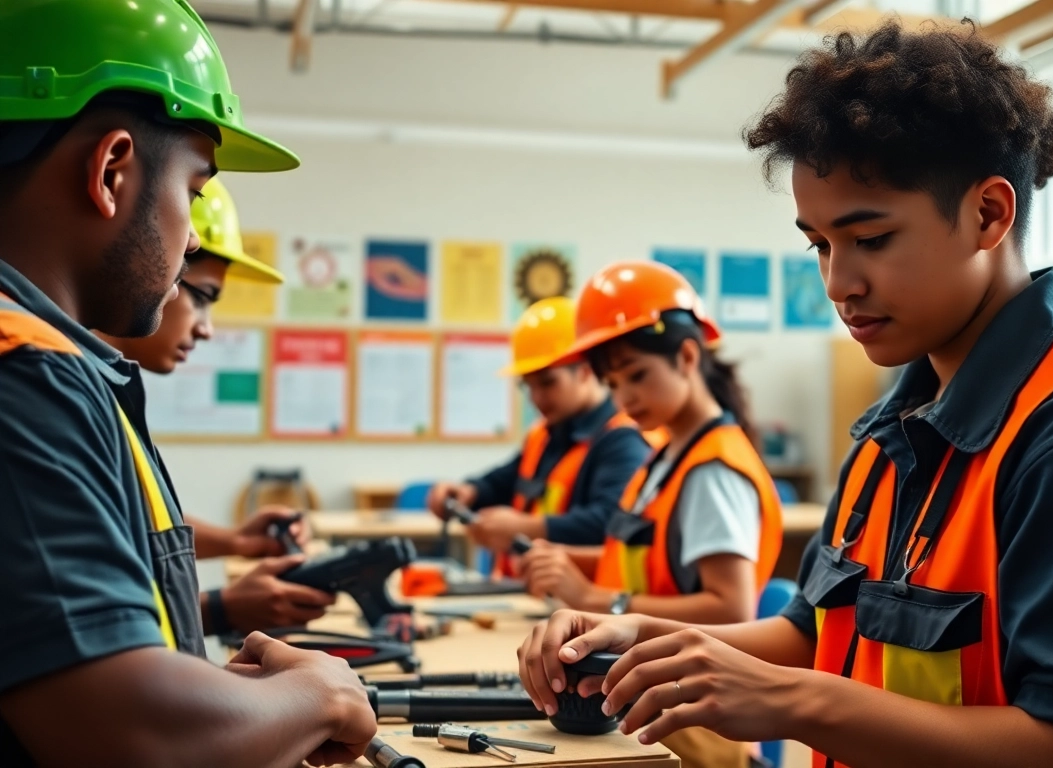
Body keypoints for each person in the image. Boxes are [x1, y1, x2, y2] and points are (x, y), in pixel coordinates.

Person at [517, 21, 1053, 768]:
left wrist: (791, 701)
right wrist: (634, 637)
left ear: (988, 213)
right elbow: (817, 634)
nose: (838, 284)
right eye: (820, 245)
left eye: (870, 239)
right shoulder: (896, 428)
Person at [0, 2, 376, 766]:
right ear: (112, 171)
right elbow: (128, 736)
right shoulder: (23, 374)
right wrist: (322, 694)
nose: (197, 234)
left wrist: (223, 697)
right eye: (196, 190)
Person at [519, 261, 785, 768]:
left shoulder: (713, 471)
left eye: (637, 375)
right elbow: (647, 556)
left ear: (687, 356)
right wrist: (571, 561)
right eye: (613, 383)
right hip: (647, 707)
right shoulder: (666, 455)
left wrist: (599, 600)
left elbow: (730, 609)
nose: (624, 397)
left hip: (692, 728)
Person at [97, 177, 336, 636]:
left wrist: (237, 542)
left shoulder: (107, 382)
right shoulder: (57, 388)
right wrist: (220, 610)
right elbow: (80, 626)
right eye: (201, 297)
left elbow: (131, 519)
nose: (206, 329)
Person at [428, 296, 651, 571]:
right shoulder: (545, 434)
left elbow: (610, 521)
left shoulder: (622, 439)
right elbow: (504, 481)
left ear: (584, 372)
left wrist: (525, 528)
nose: (537, 397)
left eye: (547, 383)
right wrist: (468, 491)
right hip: (529, 596)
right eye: (528, 386)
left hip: (580, 607)